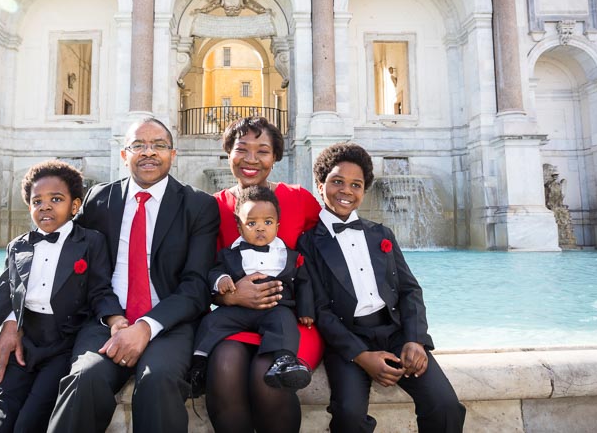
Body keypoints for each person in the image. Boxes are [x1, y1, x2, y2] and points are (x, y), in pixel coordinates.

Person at [45, 117, 220, 433]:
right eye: (138, 145)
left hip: (170, 323)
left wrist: (145, 327)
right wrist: (14, 319)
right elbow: (63, 261)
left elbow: (196, 286)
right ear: (124, 155)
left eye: (159, 146)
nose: (149, 153)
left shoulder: (198, 205)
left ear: (173, 154)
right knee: (84, 379)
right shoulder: (99, 200)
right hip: (106, 321)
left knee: (158, 380)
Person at [297, 142, 466, 433]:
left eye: (356, 184)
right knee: (348, 417)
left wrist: (415, 339)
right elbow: (320, 310)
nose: (346, 191)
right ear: (320, 184)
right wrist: (362, 356)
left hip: (396, 334)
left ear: (364, 190)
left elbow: (410, 290)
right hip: (347, 342)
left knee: (445, 405)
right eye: (337, 181)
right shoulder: (308, 242)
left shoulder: (381, 234)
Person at [0, 160, 113, 433]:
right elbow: (3, 295)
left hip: (63, 345)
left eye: (56, 199)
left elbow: (100, 290)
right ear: (29, 207)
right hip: (25, 343)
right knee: (3, 416)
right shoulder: (18, 246)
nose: (45, 206)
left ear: (75, 206)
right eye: (37, 201)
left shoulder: (91, 242)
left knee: (31, 420)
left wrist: (115, 319)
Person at [205, 116, 323, 433]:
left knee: (267, 374)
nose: (252, 159)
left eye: (263, 151)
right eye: (242, 149)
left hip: (292, 321)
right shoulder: (214, 207)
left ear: (276, 157)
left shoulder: (299, 199)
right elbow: (201, 274)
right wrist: (229, 295)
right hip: (236, 317)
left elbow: (328, 261)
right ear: (228, 153)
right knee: (223, 366)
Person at [190, 185, 314, 393]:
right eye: (251, 223)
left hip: (276, 306)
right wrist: (221, 279)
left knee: (285, 324)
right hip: (237, 309)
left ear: (277, 225)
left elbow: (303, 282)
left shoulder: (288, 255)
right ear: (240, 227)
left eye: (267, 222)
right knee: (211, 321)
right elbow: (214, 271)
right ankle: (198, 364)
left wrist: (306, 310)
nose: (260, 228)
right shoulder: (230, 254)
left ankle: (284, 361)